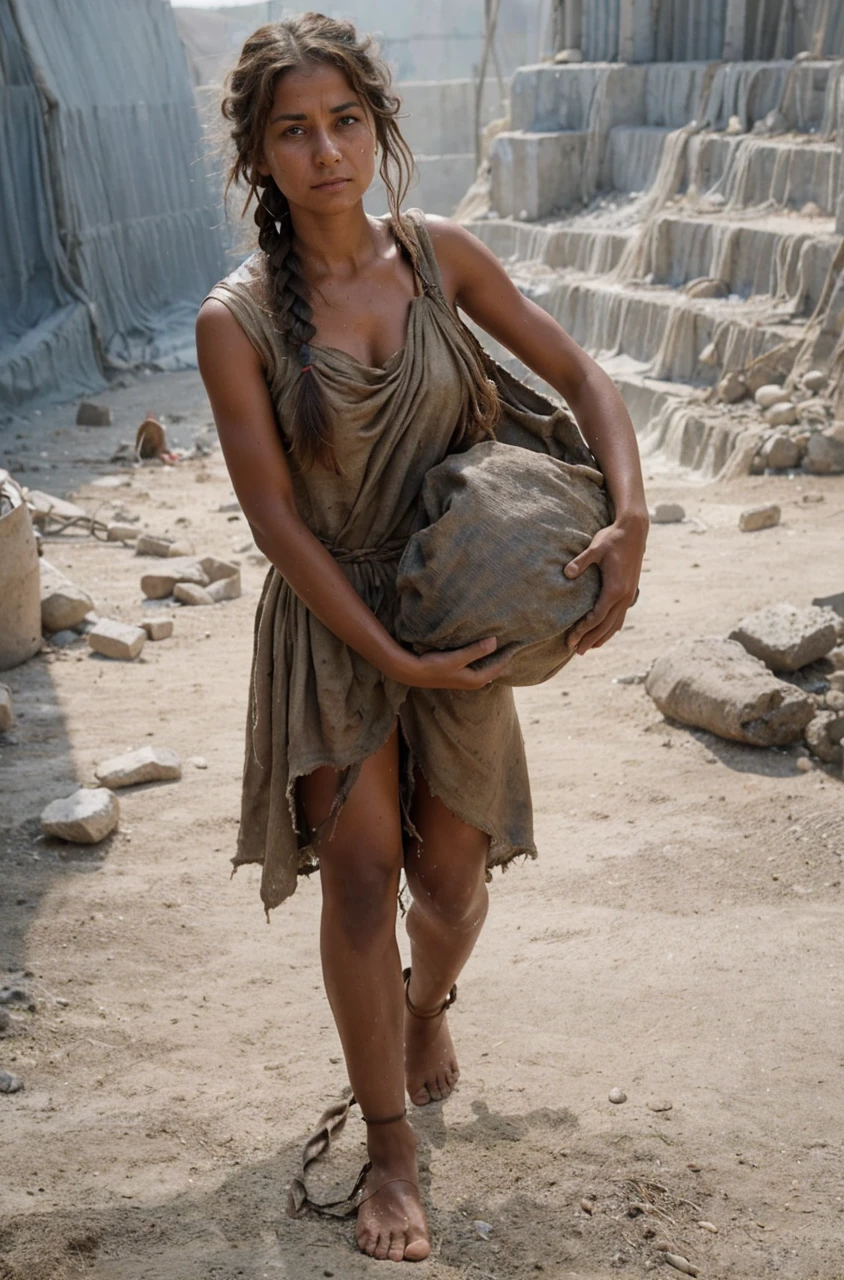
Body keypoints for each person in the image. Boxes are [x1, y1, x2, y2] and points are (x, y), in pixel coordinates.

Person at [196, 12, 647, 1264]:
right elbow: (276, 523)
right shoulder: (234, 322)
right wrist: (384, 656)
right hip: (335, 625)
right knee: (356, 882)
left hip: (454, 609)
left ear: (378, 127)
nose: (325, 149)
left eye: (344, 120)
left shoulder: (441, 255)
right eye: (293, 130)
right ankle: (389, 1152)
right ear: (259, 156)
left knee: (450, 884)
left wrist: (633, 512)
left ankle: (428, 1001)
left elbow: (585, 373)